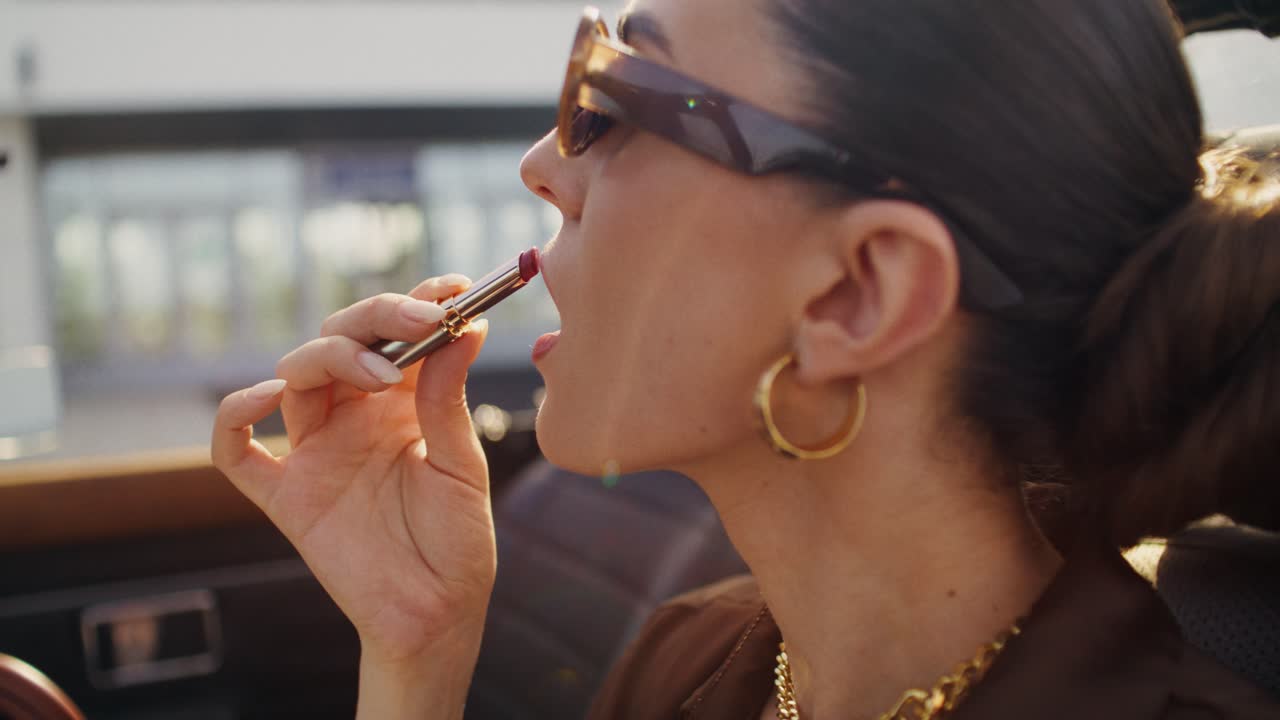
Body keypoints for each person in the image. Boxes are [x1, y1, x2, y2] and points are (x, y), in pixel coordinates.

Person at [211, 0, 1280, 717]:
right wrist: (414, 652)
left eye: (618, 98)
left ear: (857, 292)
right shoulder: (681, 665)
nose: (546, 163)